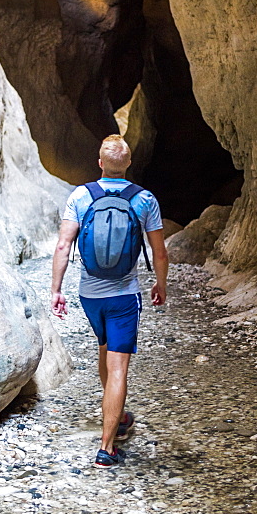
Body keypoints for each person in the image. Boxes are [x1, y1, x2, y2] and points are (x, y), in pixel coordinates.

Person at [51, 134, 168, 468]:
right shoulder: (145, 199)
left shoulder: (81, 195)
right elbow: (159, 251)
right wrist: (160, 284)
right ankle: (107, 448)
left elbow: (63, 246)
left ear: (100, 163)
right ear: (129, 164)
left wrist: (56, 290)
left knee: (105, 347)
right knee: (119, 367)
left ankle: (118, 415)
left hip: (90, 295)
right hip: (124, 295)